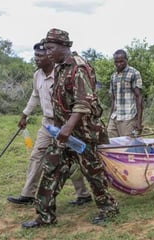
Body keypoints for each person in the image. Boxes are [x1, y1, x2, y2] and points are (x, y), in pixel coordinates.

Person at [22, 28, 118, 228]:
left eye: (51, 48)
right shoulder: (59, 68)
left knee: (94, 174)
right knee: (52, 169)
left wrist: (67, 127)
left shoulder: (79, 68)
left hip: (83, 135)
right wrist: (59, 129)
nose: (48, 53)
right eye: (46, 49)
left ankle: (108, 208)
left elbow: (84, 103)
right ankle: (45, 216)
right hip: (63, 134)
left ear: (65, 46)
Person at [7, 41, 92, 206]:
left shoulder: (62, 73)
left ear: (49, 56)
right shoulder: (37, 74)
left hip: (65, 123)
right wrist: (25, 114)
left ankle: (83, 194)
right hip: (47, 123)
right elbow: (35, 95)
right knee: (37, 155)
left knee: (72, 159)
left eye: (40, 55)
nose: (36, 59)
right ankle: (28, 194)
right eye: (35, 56)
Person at [107, 49, 143, 137]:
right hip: (115, 117)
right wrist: (110, 117)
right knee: (111, 143)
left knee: (127, 145)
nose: (119, 64)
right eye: (116, 62)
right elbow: (113, 98)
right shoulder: (113, 76)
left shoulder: (134, 73)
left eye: (121, 61)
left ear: (126, 60)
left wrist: (139, 122)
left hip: (128, 117)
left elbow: (139, 98)